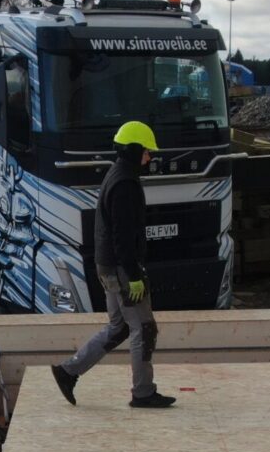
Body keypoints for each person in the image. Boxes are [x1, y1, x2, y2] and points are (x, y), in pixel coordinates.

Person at [51, 121, 176, 409]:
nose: (149, 157)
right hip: (121, 268)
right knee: (144, 328)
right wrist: (134, 275)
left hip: (108, 266)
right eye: (146, 151)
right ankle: (143, 392)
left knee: (119, 327)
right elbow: (123, 237)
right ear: (133, 150)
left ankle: (68, 370)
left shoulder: (117, 175)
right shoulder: (125, 184)